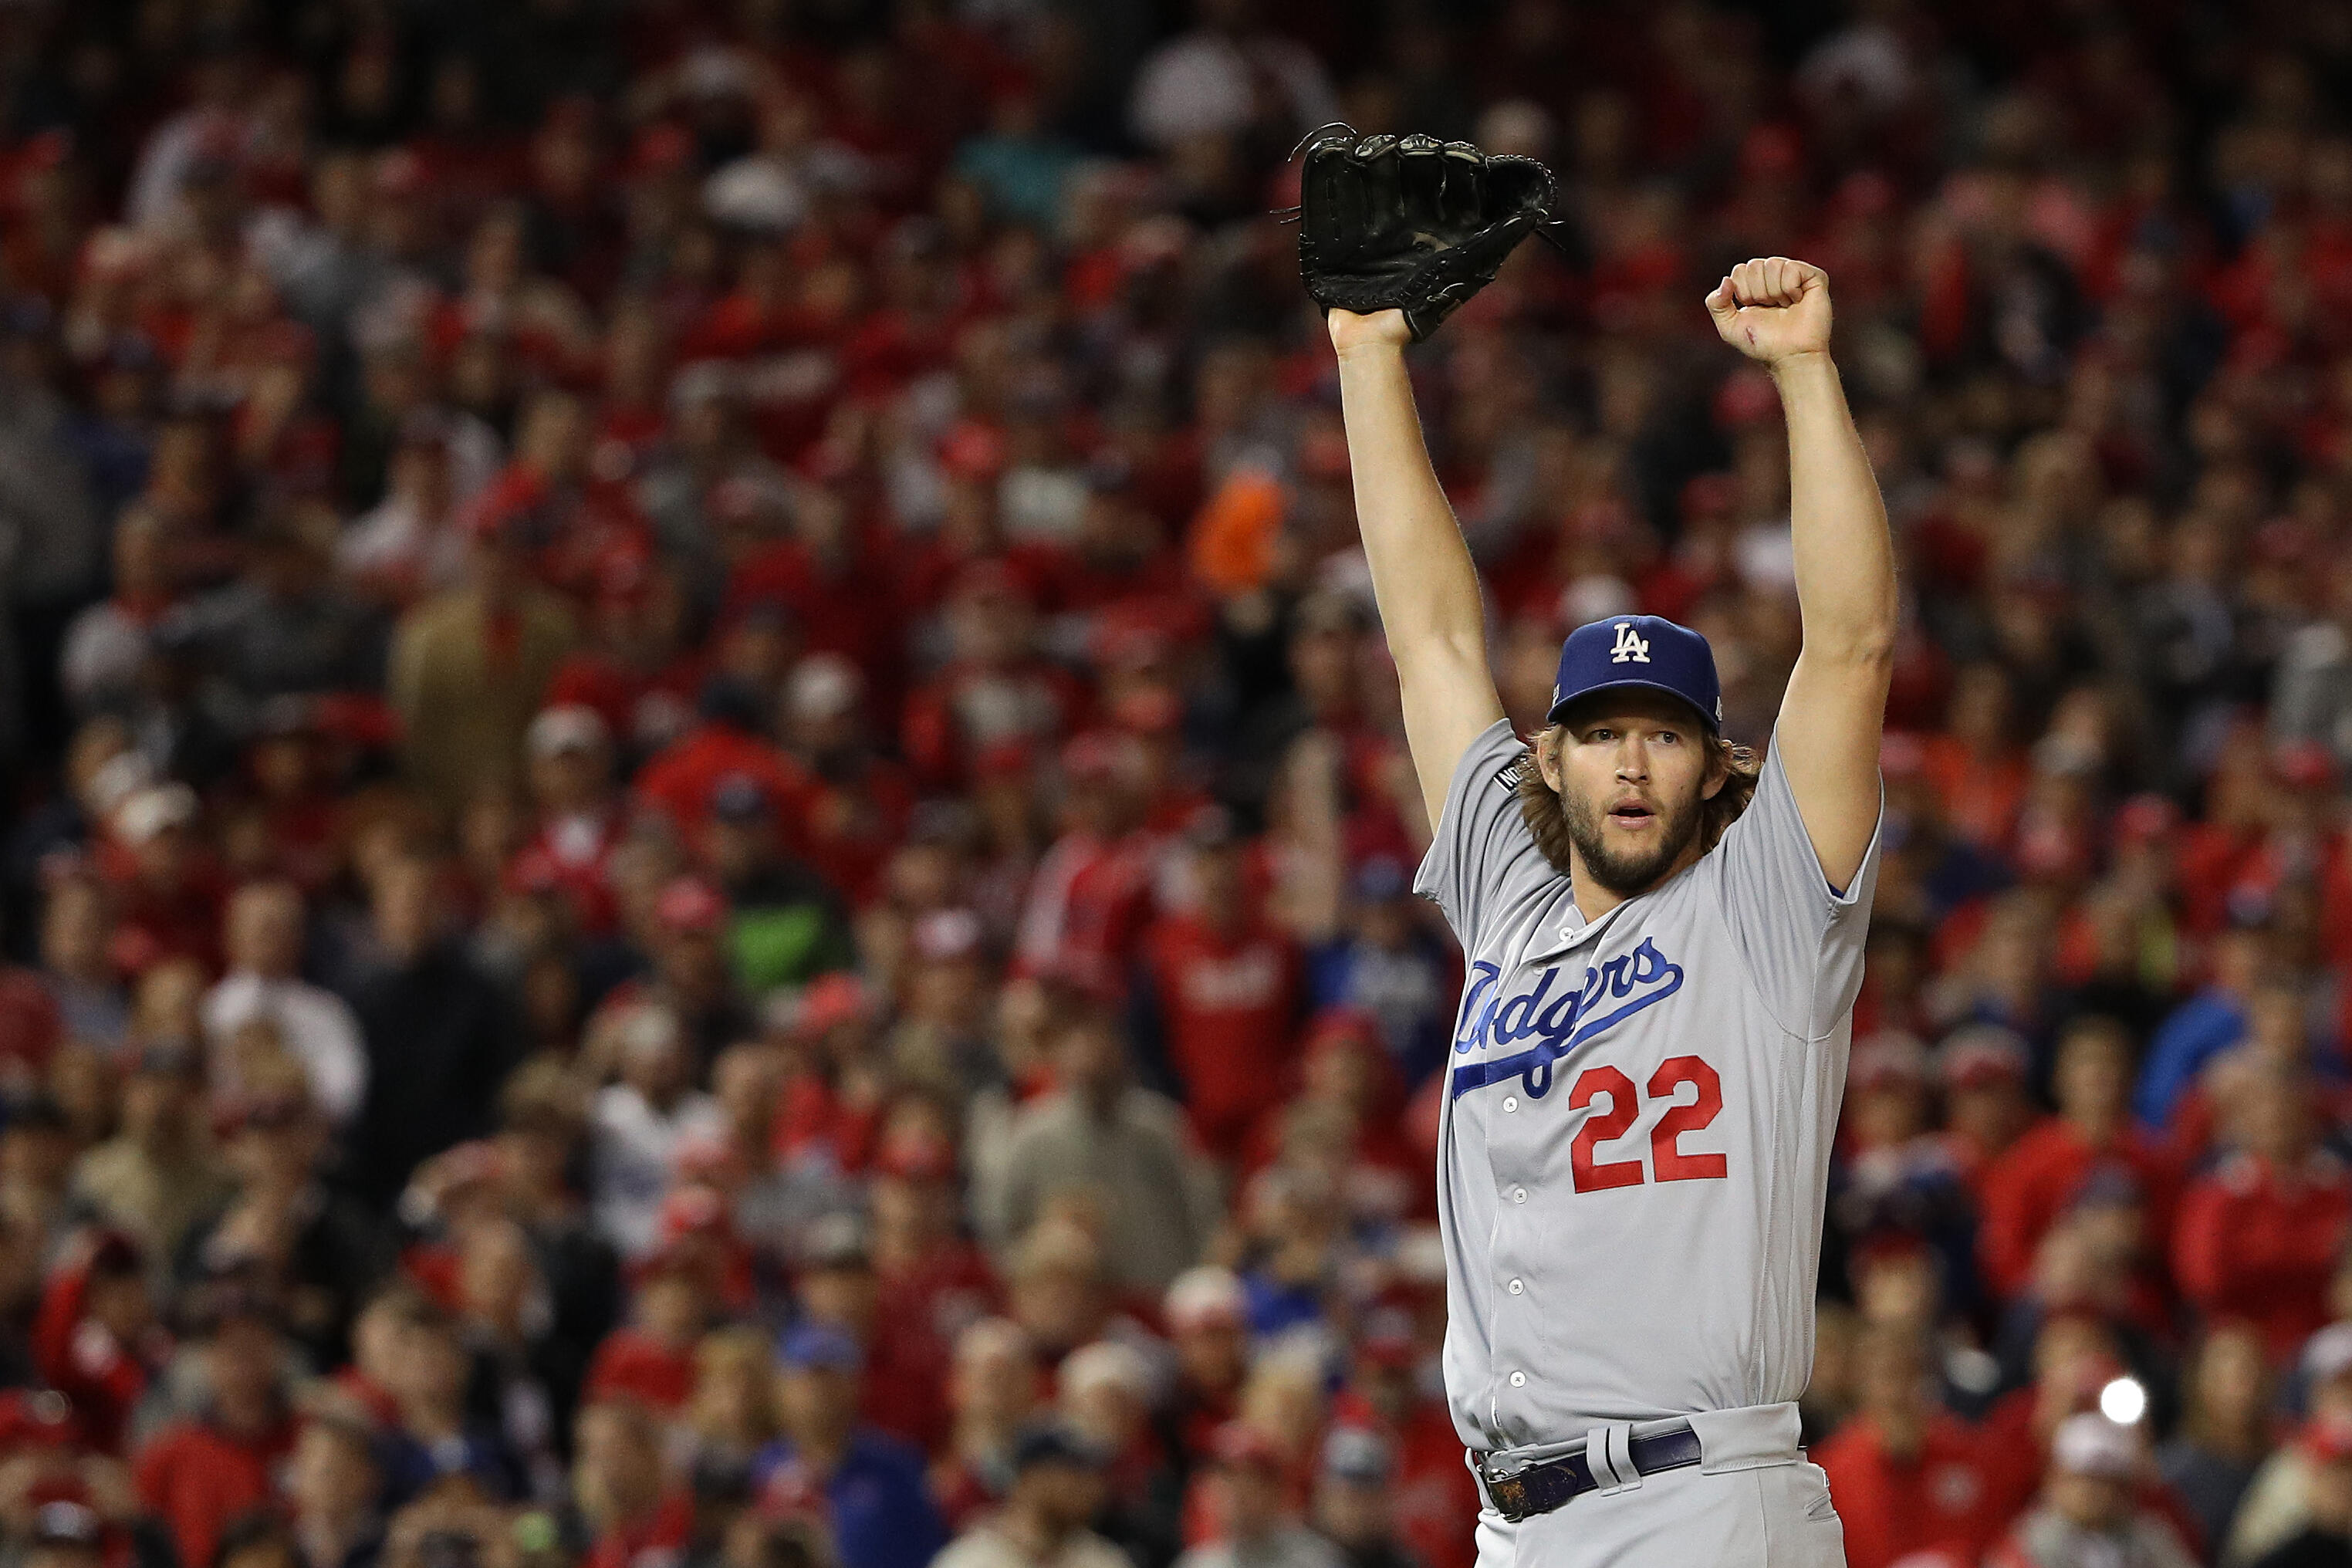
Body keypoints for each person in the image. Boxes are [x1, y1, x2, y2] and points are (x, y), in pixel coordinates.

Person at [1331, 254, 1891, 1564]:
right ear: (1550, 758)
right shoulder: (1503, 902)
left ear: (1715, 768)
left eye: (1662, 734)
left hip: (1699, 1502)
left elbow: (1852, 642)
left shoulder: (1762, 911)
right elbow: (1427, 639)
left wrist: (1805, 375)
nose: (1630, 761)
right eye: (1598, 734)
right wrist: (1366, 356)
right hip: (1516, 1523)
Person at [1985, 1413, 2198, 1568]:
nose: (2090, 1491)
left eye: (2103, 1480)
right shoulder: (2028, 1541)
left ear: (2123, 1488)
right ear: (2055, 1481)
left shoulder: (2150, 1538)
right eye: (2080, 1478)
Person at [934, 1420, 1131, 1568]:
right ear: (1028, 1481)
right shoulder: (972, 1560)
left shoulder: (1103, 1560)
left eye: (1090, 1474)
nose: (1086, 1487)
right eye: (1071, 1473)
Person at [2251, 1418, 2352, 1568]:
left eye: (2348, 1471)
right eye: (2332, 1473)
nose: (2343, 1484)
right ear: (2312, 1481)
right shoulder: (2284, 1556)